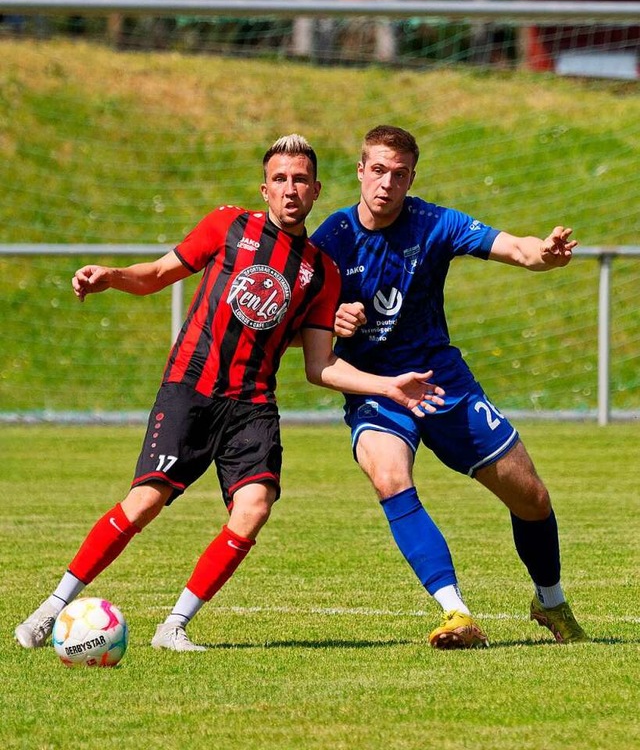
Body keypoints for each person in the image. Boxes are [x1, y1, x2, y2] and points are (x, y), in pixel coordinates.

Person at [15, 134, 445, 653]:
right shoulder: (228, 226)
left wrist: (387, 386)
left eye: (301, 180)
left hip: (252, 404)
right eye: (280, 180)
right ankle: (53, 607)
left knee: (255, 506)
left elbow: (319, 365)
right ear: (264, 189)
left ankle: (174, 626)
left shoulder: (321, 272)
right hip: (189, 390)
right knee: (145, 502)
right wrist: (111, 276)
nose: (290, 189)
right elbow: (156, 274)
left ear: (316, 191)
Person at [311, 125, 588, 649]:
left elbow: (515, 247)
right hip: (378, 390)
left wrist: (543, 253)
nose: (386, 184)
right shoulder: (331, 240)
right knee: (389, 476)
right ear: (359, 170)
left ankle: (549, 601)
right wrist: (337, 318)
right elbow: (308, 332)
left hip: (442, 384)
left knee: (531, 498)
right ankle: (455, 613)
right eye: (377, 170)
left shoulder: (435, 222)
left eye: (399, 174)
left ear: (412, 177)